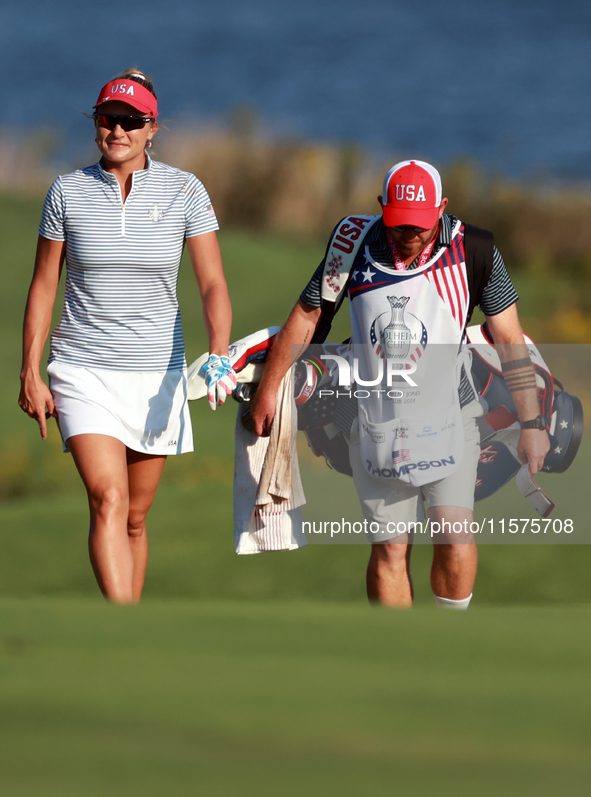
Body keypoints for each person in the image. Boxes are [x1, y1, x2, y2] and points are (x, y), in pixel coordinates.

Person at [250, 159, 550, 608]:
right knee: (390, 548)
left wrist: (532, 424)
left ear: (443, 208)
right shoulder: (351, 242)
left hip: (453, 417)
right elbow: (308, 316)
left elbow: (509, 340)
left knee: (454, 536)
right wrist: (269, 389)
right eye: (399, 224)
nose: (409, 235)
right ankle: (402, 650)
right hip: (374, 422)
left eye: (420, 226)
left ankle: (448, 646)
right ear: (381, 208)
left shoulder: (477, 249)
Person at [19, 69, 236, 604]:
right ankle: (118, 624)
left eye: (130, 122)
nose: (116, 131)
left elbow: (211, 282)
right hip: (81, 370)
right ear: (95, 123)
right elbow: (44, 286)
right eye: (106, 119)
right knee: (108, 499)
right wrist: (30, 368)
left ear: (152, 128)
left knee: (136, 519)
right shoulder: (66, 191)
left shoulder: (185, 190)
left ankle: (133, 632)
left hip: (155, 376)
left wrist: (219, 349)